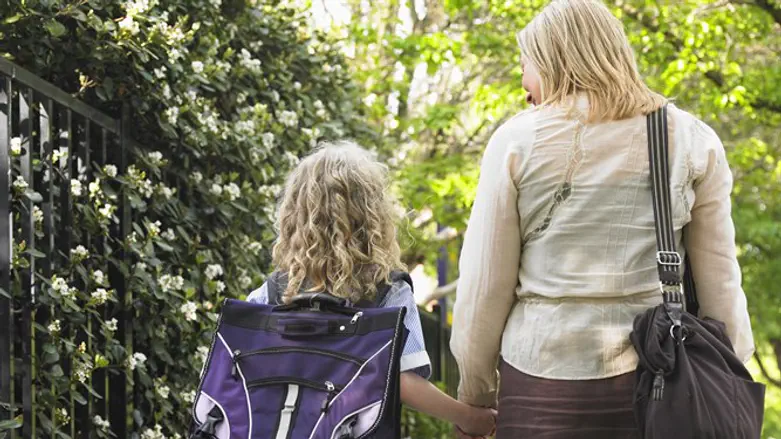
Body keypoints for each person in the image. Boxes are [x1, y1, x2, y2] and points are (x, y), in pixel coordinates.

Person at [450, 1, 755, 437]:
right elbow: (721, 286)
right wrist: (732, 378)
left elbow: (485, 288)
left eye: (526, 67)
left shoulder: (517, 141)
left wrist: (474, 394)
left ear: (555, 61)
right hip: (661, 385)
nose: (523, 85)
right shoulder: (691, 140)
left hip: (541, 380)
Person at [247, 141, 497, 437]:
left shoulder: (274, 290)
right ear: (373, 214)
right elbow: (404, 381)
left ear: (295, 215)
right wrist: (469, 417)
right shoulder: (388, 291)